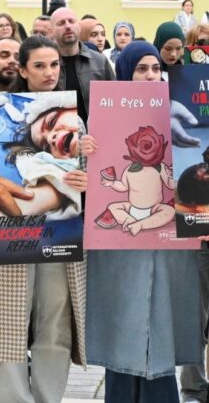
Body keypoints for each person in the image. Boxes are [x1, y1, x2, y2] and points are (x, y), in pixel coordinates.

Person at [0, 36, 86, 402]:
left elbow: (95, 179)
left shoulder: (76, 120)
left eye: (54, 65)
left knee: (54, 322)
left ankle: (48, 397)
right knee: (8, 322)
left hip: (59, 236)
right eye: (39, 65)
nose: (49, 72)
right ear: (24, 70)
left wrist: (86, 178)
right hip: (9, 240)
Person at [83, 40, 203, 402]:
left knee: (162, 324)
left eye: (155, 68)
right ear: (124, 72)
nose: (150, 75)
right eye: (141, 68)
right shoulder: (101, 116)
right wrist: (86, 151)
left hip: (169, 243)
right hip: (119, 248)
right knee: (123, 323)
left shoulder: (176, 109)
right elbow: (91, 179)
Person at [50, 7, 115, 125]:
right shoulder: (46, 64)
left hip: (95, 133)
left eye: (71, 21)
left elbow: (114, 101)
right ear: (51, 31)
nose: (68, 26)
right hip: (58, 132)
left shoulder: (100, 62)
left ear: (79, 27)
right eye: (61, 23)